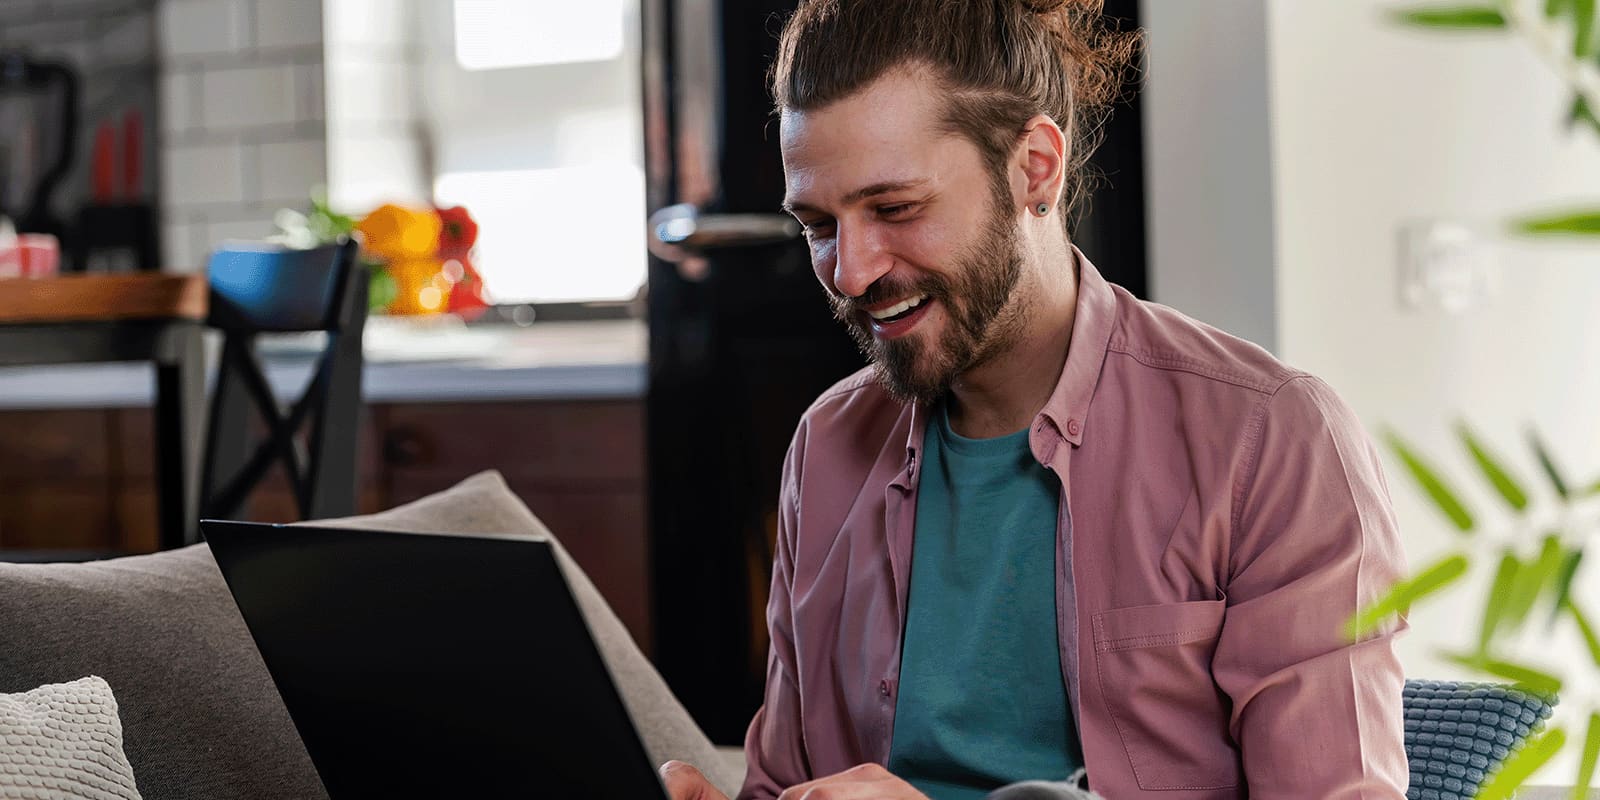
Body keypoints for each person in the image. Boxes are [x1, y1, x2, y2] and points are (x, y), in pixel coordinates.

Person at [663, 0, 1410, 797]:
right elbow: (783, 782)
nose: (850, 271)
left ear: (1035, 170)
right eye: (818, 225)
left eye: (895, 209)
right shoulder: (827, 447)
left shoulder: (1271, 441)